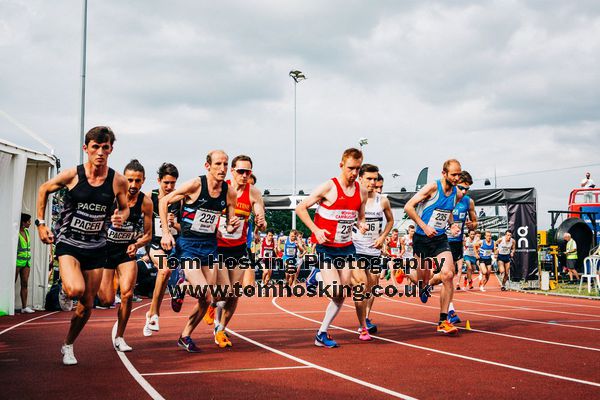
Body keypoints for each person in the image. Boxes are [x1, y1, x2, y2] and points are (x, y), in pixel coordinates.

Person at [36, 126, 129, 365]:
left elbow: (125, 207)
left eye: (104, 148)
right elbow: (44, 189)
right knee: (75, 290)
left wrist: (121, 216)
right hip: (69, 242)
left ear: (111, 149)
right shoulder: (72, 175)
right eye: (95, 147)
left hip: (96, 246)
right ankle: (66, 284)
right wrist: (41, 224)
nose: (100, 152)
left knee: (88, 305)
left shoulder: (117, 181)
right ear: (85, 148)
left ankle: (68, 345)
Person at [159, 150, 240, 352]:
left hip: (210, 246)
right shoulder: (196, 184)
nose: (222, 169)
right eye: (218, 164)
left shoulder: (229, 192)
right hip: (188, 245)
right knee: (204, 291)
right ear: (208, 166)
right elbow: (163, 201)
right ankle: (180, 285)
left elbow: (229, 225)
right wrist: (166, 233)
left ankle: (185, 336)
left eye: (225, 164)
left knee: (214, 297)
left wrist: (231, 226)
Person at [296, 148, 368, 347]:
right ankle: (317, 276)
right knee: (334, 289)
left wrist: (361, 223)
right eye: (351, 168)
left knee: (341, 293)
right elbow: (300, 208)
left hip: (346, 247)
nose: (354, 173)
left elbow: (360, 215)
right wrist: (315, 229)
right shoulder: (329, 187)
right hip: (326, 247)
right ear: (341, 165)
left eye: (358, 169)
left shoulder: (361, 190)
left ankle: (322, 333)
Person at [97, 160, 153, 352]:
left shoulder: (146, 202)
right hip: (105, 250)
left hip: (126, 252)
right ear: (123, 179)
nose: (134, 185)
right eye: (130, 180)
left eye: (138, 181)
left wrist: (136, 244)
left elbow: (148, 235)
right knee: (106, 300)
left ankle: (120, 336)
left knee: (128, 294)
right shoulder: (111, 197)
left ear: (143, 181)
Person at [212, 155, 266, 347]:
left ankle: (220, 329)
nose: (244, 175)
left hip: (239, 249)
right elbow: (209, 214)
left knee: (235, 293)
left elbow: (260, 215)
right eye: (240, 171)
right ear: (232, 171)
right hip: (217, 247)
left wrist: (261, 221)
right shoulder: (220, 189)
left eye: (248, 172)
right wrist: (219, 227)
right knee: (222, 292)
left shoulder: (254, 193)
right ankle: (211, 304)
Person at [404, 159, 463, 334]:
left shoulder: (457, 194)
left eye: (459, 174)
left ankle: (443, 320)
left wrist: (452, 224)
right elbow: (408, 207)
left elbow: (448, 212)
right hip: (422, 238)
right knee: (423, 279)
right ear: (444, 173)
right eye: (453, 174)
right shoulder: (432, 188)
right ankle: (410, 275)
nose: (456, 178)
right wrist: (424, 226)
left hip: (440, 238)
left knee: (448, 274)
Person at [352, 164, 394, 338]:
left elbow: (390, 221)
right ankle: (362, 325)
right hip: (356, 247)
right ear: (360, 179)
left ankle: (366, 318)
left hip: (374, 249)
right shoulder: (353, 199)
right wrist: (356, 224)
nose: (373, 182)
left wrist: (382, 237)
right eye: (369, 179)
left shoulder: (382, 200)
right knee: (360, 286)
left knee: (372, 286)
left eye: (375, 179)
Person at [143, 163, 182, 337]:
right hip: (154, 243)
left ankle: (153, 312)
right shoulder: (150, 196)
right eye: (166, 183)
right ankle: (152, 313)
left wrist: (175, 224)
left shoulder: (179, 200)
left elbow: (184, 229)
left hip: (173, 246)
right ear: (159, 180)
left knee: (165, 276)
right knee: (164, 270)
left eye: (173, 183)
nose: (169, 187)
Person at [447, 171, 477, 292]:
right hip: (442, 239)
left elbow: (475, 223)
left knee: (451, 272)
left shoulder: (469, 202)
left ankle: (431, 283)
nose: (464, 192)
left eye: (467, 189)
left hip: (457, 241)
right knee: (447, 272)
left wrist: (472, 225)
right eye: (461, 188)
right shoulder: (446, 197)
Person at [16, 213, 34, 313]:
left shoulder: (27, 232)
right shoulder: (16, 232)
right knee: (12, 284)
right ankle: (7, 305)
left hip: (27, 262)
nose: (30, 223)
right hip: (17, 262)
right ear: (23, 222)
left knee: (25, 284)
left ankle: (24, 307)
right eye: (28, 221)